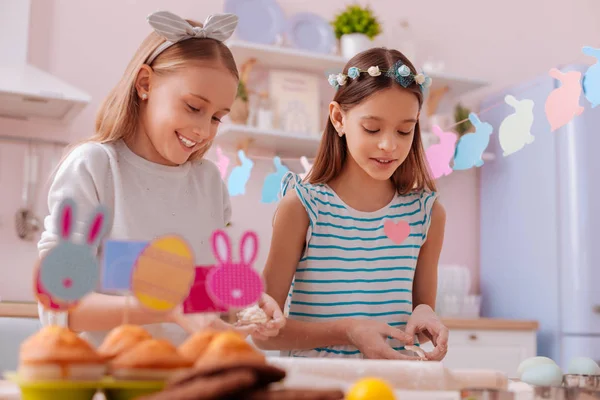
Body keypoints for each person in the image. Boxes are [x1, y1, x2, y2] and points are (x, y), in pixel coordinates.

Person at [36, 10, 284, 348]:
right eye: (193, 107)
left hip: (190, 379)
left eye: (216, 118)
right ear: (145, 84)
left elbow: (202, 298)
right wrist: (167, 308)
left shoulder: (209, 183)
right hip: (111, 380)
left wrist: (247, 304)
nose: (203, 130)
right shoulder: (96, 168)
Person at [253, 47, 449, 360]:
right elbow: (262, 331)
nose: (389, 144)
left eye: (404, 130)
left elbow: (420, 317)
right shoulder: (303, 208)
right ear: (338, 118)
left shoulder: (426, 214)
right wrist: (347, 330)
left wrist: (426, 316)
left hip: (389, 386)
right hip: (317, 387)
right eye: (372, 128)